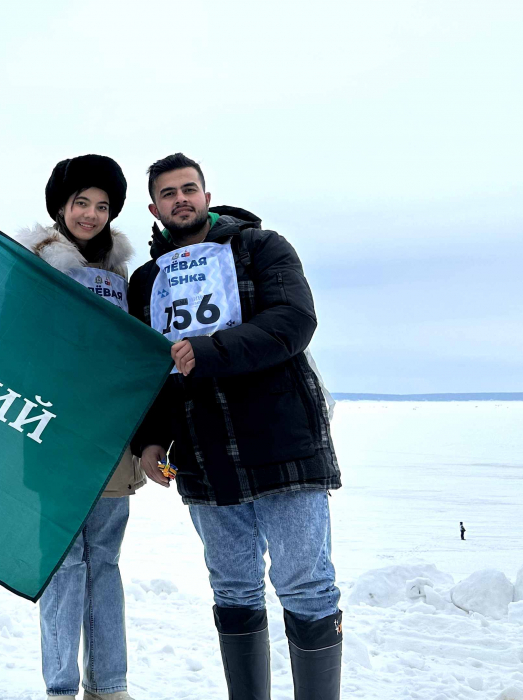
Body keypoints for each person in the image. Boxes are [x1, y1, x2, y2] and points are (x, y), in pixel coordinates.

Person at [127, 153, 343, 700]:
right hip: (203, 454)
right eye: (169, 193)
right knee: (233, 589)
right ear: (155, 208)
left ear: (206, 194)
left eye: (189, 189)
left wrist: (211, 350)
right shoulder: (148, 280)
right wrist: (151, 438)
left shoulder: (260, 248)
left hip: (282, 442)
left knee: (307, 587)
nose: (181, 199)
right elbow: (148, 369)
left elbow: (294, 322)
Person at [14, 155, 144, 700]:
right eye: (81, 203)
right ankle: (62, 688)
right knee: (65, 566)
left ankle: (109, 685)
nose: (91, 214)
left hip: (112, 434)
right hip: (55, 434)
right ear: (60, 207)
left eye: (103, 206)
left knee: (105, 562)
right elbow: (8, 348)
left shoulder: (123, 275)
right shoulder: (33, 267)